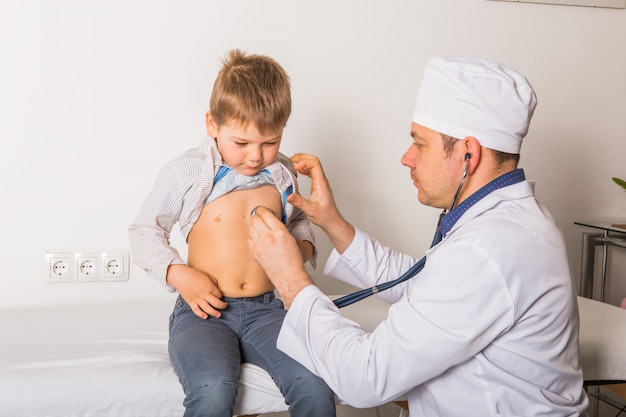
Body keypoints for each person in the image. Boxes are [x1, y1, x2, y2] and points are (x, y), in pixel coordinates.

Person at [248, 55, 589, 416]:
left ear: (468, 155)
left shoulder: (489, 249)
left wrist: (288, 278)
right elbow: (425, 288)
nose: (406, 158)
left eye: (420, 143)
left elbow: (365, 377)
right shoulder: (506, 225)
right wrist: (334, 223)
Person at [128, 49, 336, 417]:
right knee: (213, 389)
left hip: (267, 310)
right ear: (212, 124)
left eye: (269, 142)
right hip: (203, 312)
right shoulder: (188, 172)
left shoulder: (283, 172)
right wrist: (181, 276)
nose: (256, 156)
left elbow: (298, 223)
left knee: (315, 384)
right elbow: (145, 230)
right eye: (241, 143)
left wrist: (300, 248)